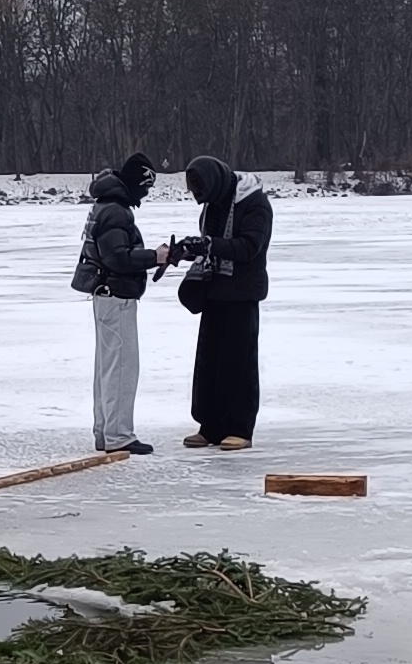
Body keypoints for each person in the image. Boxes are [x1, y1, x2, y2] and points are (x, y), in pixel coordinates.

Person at [168, 154, 273, 450]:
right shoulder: (215, 203)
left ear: (214, 183)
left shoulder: (254, 204)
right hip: (214, 289)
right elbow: (210, 242)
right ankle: (210, 425)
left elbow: (250, 247)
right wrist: (190, 250)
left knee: (238, 363)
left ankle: (239, 427)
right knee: (209, 363)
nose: (200, 200)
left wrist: (211, 245)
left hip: (241, 294)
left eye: (201, 193)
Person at [70, 153, 163, 454]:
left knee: (107, 367)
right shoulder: (116, 211)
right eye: (146, 187)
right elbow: (118, 258)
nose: (146, 194)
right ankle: (118, 434)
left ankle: (105, 431)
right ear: (138, 183)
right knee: (121, 367)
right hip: (116, 296)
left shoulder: (106, 205)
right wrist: (155, 257)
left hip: (105, 295)